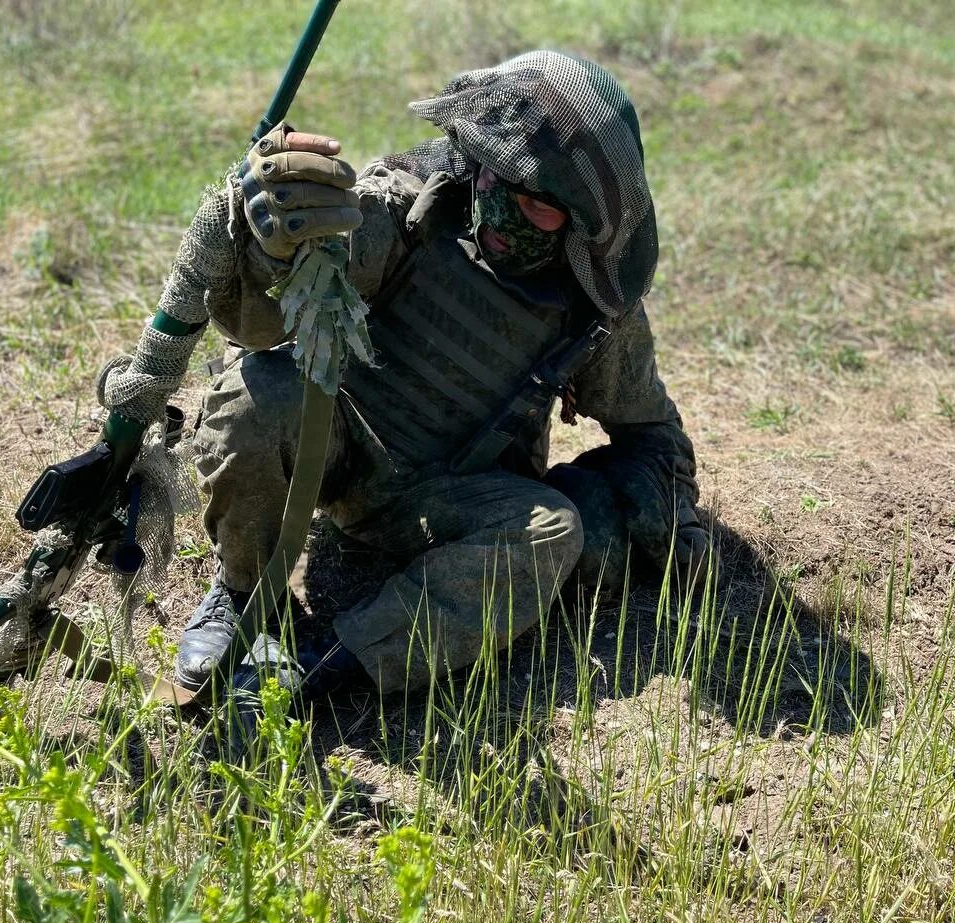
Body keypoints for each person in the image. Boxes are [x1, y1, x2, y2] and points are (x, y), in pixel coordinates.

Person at [162, 50, 707, 706]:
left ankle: (338, 660)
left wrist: (639, 511)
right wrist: (269, 242)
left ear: (582, 221)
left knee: (553, 530)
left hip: (453, 501)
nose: (505, 207)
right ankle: (244, 596)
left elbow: (652, 433)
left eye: (536, 204)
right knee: (256, 391)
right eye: (497, 179)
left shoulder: (592, 309)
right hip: (333, 453)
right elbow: (257, 327)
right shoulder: (408, 211)